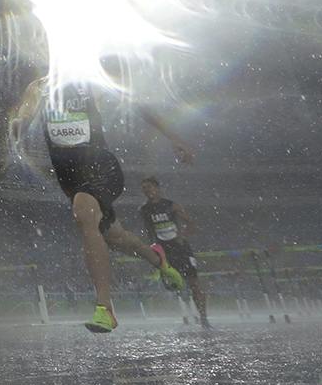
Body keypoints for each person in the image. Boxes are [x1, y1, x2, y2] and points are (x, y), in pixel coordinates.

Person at [15, 68, 193, 333]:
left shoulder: (91, 81)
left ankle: (104, 308)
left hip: (101, 166)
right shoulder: (38, 87)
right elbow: (24, 116)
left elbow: (138, 105)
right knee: (115, 237)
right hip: (70, 178)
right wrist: (17, 128)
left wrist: (174, 138)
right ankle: (157, 258)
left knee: (84, 213)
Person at [138, 177, 209, 327]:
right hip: (164, 250)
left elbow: (191, 224)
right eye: (144, 188)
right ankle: (186, 315)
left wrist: (182, 234)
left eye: (149, 187)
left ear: (157, 188)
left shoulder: (172, 205)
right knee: (170, 284)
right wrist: (154, 248)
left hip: (181, 248)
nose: (146, 190)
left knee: (194, 283)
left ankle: (204, 318)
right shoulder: (144, 210)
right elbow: (149, 231)